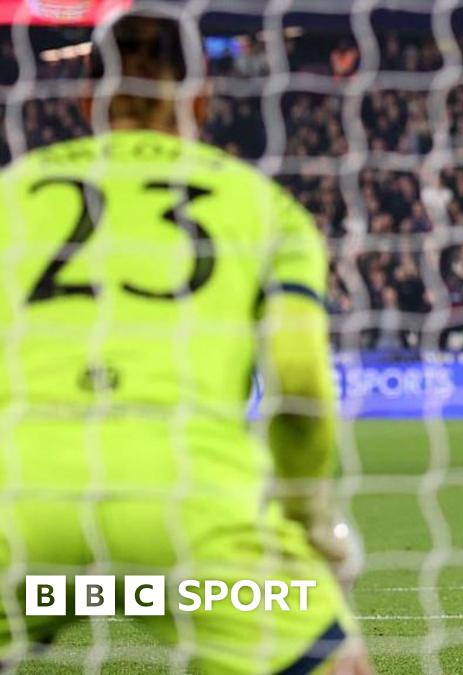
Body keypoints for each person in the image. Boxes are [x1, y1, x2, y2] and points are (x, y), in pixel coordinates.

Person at [0, 12, 370, 673]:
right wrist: (309, 522)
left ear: (86, 97)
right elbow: (300, 381)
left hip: (20, 505)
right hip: (189, 508)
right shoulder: (263, 206)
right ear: (202, 97)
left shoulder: (12, 193)